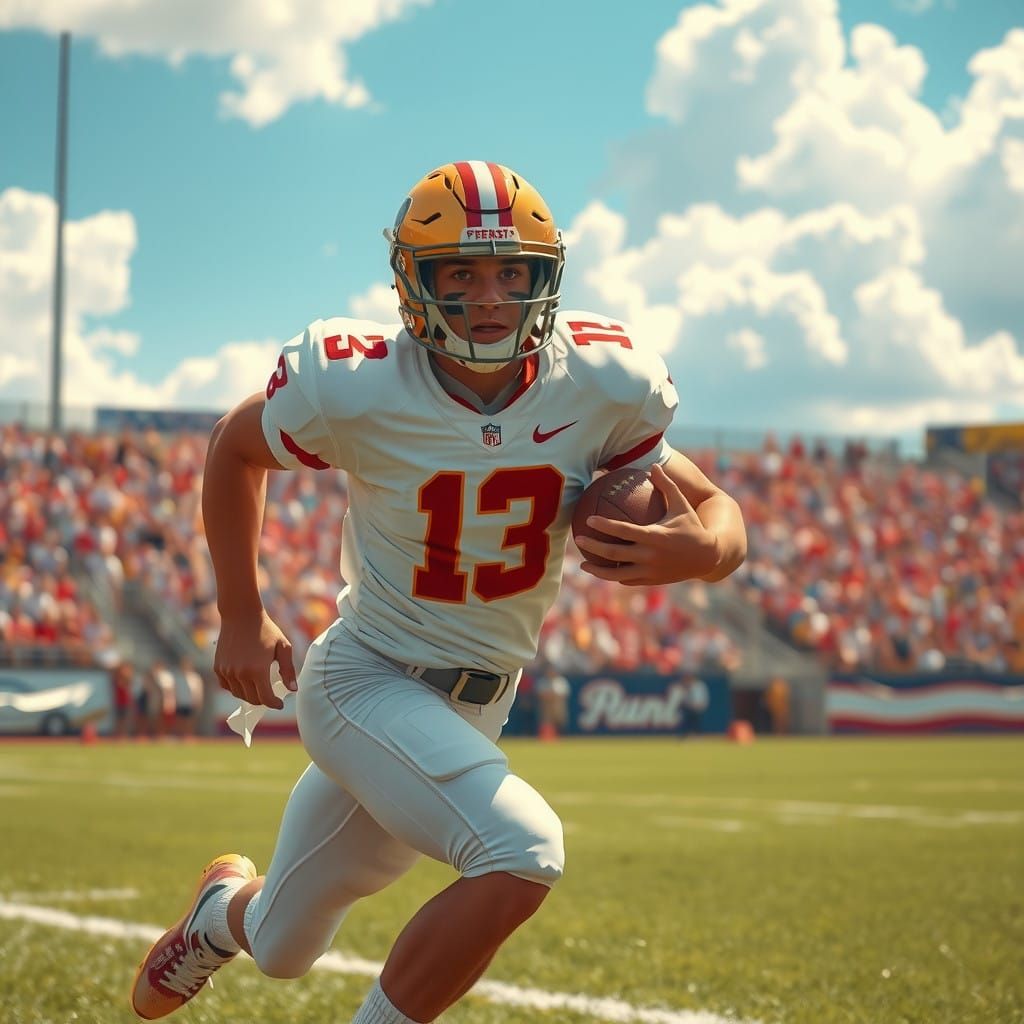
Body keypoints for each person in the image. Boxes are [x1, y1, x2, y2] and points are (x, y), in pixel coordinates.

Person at [130, 160, 747, 1024]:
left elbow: (723, 516)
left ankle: (218, 915)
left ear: (547, 278)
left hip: (474, 706)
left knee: (282, 943)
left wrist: (706, 547)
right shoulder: (359, 381)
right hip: (364, 679)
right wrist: (242, 612)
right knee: (522, 850)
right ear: (413, 282)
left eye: (512, 272)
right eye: (460, 271)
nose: (490, 295)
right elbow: (234, 447)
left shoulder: (601, 383)